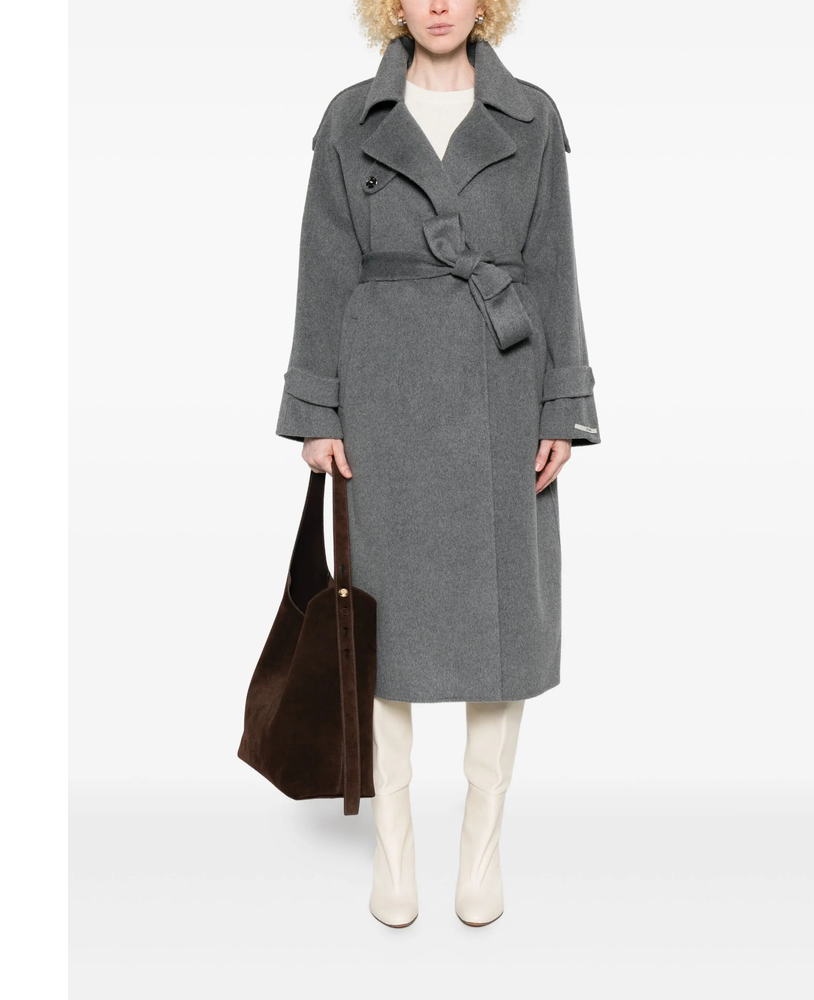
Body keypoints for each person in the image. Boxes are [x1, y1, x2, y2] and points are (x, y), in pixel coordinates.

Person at [275, 0, 601, 927]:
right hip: (384, 399)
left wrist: (563, 404)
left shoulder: (530, 116)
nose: (440, 4)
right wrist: (317, 407)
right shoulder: (352, 118)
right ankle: (395, 853)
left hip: (503, 388)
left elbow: (555, 268)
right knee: (382, 627)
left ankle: (481, 853)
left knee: (505, 625)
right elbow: (323, 267)